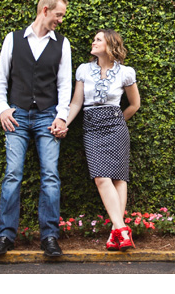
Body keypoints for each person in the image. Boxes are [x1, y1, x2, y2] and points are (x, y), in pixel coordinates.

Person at [0, 0, 71, 257]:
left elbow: (64, 85)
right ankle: (4, 236)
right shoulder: (13, 39)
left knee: (51, 176)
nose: (61, 20)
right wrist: (2, 109)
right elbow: (1, 78)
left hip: (48, 116)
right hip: (18, 116)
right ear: (45, 10)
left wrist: (61, 116)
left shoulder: (62, 44)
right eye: (59, 15)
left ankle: (49, 238)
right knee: (12, 175)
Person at [60, 29, 141, 251]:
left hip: (116, 125)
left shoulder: (126, 72)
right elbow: (76, 103)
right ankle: (122, 229)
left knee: (118, 178)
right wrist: (64, 123)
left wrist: (118, 120)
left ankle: (116, 234)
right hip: (92, 125)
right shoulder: (84, 70)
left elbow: (134, 104)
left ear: (110, 45)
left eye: (98, 39)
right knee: (101, 177)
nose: (93, 42)